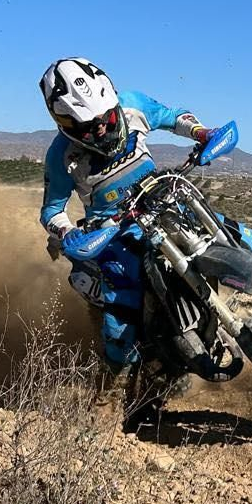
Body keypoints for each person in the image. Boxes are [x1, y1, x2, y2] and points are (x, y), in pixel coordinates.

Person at [38, 57, 215, 368]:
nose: (102, 128)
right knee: (120, 315)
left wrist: (201, 133)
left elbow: (172, 117)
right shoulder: (61, 155)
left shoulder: (131, 105)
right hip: (115, 231)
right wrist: (67, 231)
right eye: (89, 127)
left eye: (106, 117)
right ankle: (117, 385)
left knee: (223, 230)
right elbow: (52, 210)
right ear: (65, 123)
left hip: (164, 201)